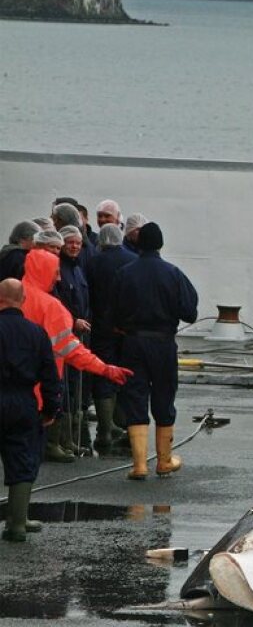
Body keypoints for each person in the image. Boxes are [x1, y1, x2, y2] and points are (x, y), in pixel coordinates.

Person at [20, 250, 132, 464]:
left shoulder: (10, 296)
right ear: (44, 271)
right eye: (56, 272)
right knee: (25, 465)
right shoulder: (52, 308)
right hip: (40, 390)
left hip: (10, 388)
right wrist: (106, 369)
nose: (59, 278)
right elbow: (72, 350)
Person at [112, 223, 198, 480]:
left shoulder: (124, 273)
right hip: (162, 343)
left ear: (138, 244)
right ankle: (164, 460)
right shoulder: (173, 274)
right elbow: (189, 313)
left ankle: (139, 465)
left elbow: (112, 312)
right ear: (160, 244)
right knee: (163, 396)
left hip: (133, 342)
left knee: (135, 396)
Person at [0, 279, 63, 542]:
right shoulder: (36, 333)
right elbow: (50, 376)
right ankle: (17, 523)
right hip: (22, 401)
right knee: (23, 460)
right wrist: (51, 410)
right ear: (23, 300)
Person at [84, 224, 137, 453]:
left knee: (104, 374)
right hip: (126, 329)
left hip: (100, 327)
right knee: (124, 373)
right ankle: (123, 423)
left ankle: (105, 430)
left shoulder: (93, 262)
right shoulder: (133, 259)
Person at [55, 225, 93, 456]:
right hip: (65, 334)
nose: (75, 246)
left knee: (74, 387)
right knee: (65, 386)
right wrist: (73, 321)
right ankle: (60, 439)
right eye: (70, 242)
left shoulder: (77, 269)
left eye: (78, 243)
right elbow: (57, 304)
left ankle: (70, 438)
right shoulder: (59, 269)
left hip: (78, 335)